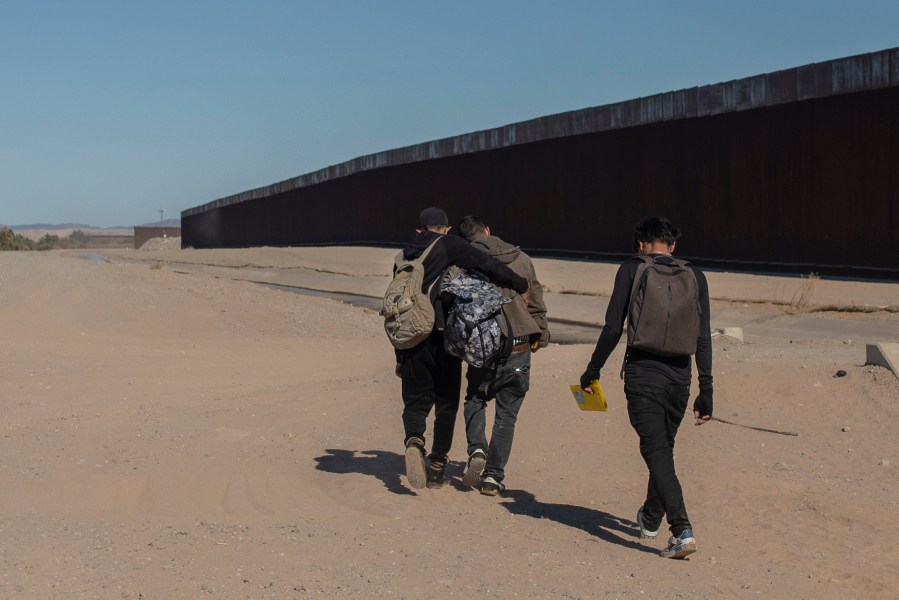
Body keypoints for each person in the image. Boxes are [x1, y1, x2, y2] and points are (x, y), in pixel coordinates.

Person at [578, 216, 713, 559]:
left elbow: (612, 328)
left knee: (657, 452)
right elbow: (703, 337)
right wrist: (706, 388)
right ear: (673, 245)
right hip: (680, 381)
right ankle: (651, 516)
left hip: (643, 377)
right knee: (662, 449)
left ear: (640, 244)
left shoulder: (631, 269)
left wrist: (592, 370)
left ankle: (681, 530)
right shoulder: (695, 276)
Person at [395, 207, 530, 491]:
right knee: (446, 403)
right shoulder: (448, 245)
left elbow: (399, 307)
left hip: (410, 339)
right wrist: (518, 283)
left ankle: (414, 440)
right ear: (445, 229)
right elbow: (485, 264)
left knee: (416, 401)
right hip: (444, 338)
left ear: (419, 229)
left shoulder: (404, 255)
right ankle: (436, 467)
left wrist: (399, 356)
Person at [455, 215, 550, 496]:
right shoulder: (523, 258)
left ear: (467, 239)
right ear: (487, 230)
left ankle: (477, 449)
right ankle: (493, 478)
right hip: (520, 348)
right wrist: (541, 335)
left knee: (475, 398)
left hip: (484, 349)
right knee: (507, 414)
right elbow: (537, 301)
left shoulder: (466, 262)